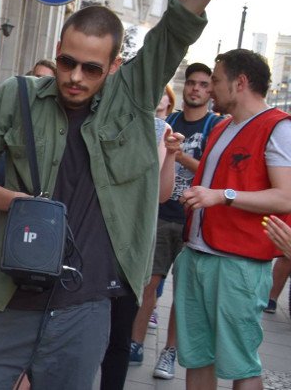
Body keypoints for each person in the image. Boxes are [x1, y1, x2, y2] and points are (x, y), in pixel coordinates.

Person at [0, 0, 257, 390]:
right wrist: (18, 202)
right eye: (67, 62)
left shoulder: (132, 98)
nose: (74, 77)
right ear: (58, 48)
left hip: (85, 303)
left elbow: (181, 20)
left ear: (114, 66)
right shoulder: (18, 94)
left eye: (91, 68)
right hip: (7, 292)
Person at [176, 49, 291, 389]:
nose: (210, 88)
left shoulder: (277, 128)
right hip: (198, 254)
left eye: (215, 80)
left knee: (241, 365)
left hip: (237, 265)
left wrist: (221, 196)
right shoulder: (224, 126)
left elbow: (285, 196)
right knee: (196, 357)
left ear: (240, 83)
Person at [129, 63, 222, 380]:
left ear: (210, 91)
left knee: (185, 291)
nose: (195, 89)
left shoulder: (214, 126)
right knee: (148, 283)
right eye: (191, 83)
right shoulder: (168, 122)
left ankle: (169, 352)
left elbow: (214, 175)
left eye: (203, 84)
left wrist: (180, 156)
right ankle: (135, 343)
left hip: (195, 220)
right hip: (161, 213)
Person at [98, 84, 181, 390]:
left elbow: (161, 195)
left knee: (119, 336)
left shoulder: (160, 129)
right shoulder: (98, 120)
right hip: (92, 238)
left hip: (131, 247)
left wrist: (171, 155)